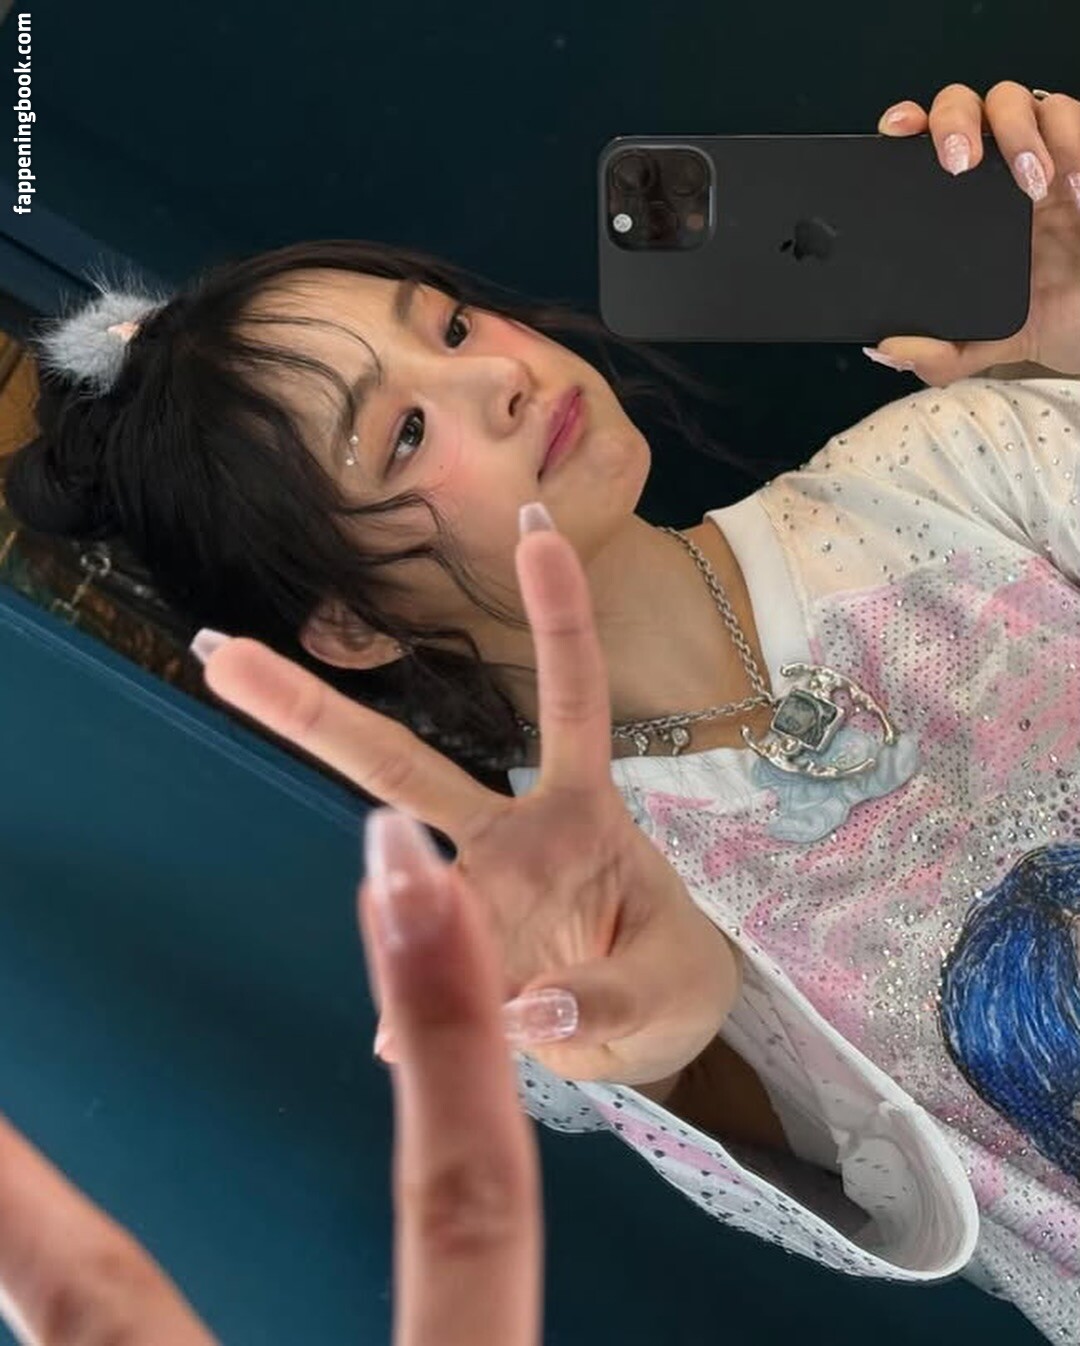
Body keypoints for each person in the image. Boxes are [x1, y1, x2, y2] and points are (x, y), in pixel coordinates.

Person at [0, 79, 1078, 1345]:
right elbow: (881, 1181)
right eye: (404, 433)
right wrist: (691, 1036)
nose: (499, 378)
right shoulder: (556, 932)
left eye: (452, 326)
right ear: (350, 625)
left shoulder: (947, 461)